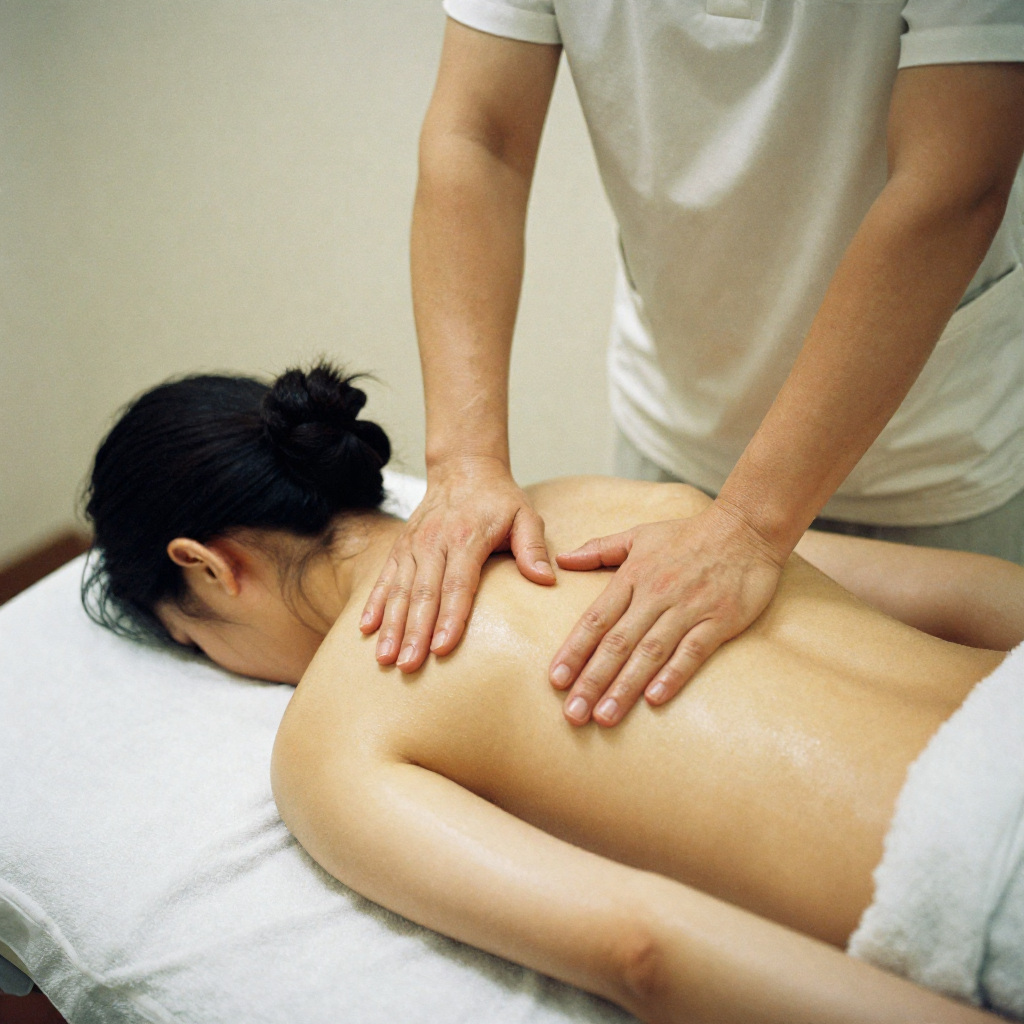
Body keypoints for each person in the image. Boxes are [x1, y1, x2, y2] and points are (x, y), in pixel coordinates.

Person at [84, 363, 1024, 1023]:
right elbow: (969, 595)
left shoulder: (333, 740)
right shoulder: (576, 499)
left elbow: (644, 951)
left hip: (986, 880)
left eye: (195, 641)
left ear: (207, 568)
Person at [361, 2, 1024, 732]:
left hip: (927, 440)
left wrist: (749, 527)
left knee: (970, 723)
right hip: (678, 423)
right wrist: (464, 461)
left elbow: (955, 179)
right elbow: (477, 136)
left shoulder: (338, 738)